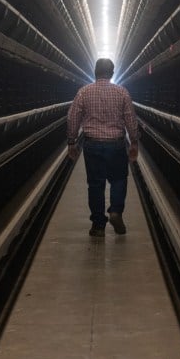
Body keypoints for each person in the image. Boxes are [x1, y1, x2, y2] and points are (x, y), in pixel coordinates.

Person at [67, 58, 139, 237]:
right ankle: (115, 211)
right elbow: (131, 119)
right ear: (112, 73)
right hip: (116, 144)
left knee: (95, 184)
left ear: (95, 72)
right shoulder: (122, 92)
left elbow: (73, 118)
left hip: (92, 144)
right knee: (119, 179)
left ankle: (98, 225)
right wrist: (134, 141)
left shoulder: (84, 92)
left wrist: (71, 142)